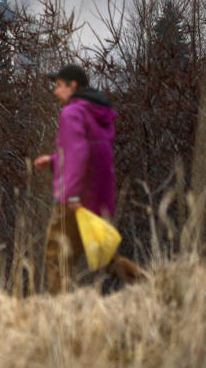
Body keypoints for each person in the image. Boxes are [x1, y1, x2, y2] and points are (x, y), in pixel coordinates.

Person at [34, 65, 143, 293]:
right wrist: (54, 161)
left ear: (72, 86)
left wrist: (72, 194)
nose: (55, 91)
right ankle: (150, 285)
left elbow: (78, 153)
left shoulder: (72, 112)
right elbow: (88, 152)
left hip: (77, 200)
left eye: (59, 85)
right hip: (99, 198)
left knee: (56, 256)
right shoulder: (95, 113)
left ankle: (60, 315)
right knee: (105, 258)